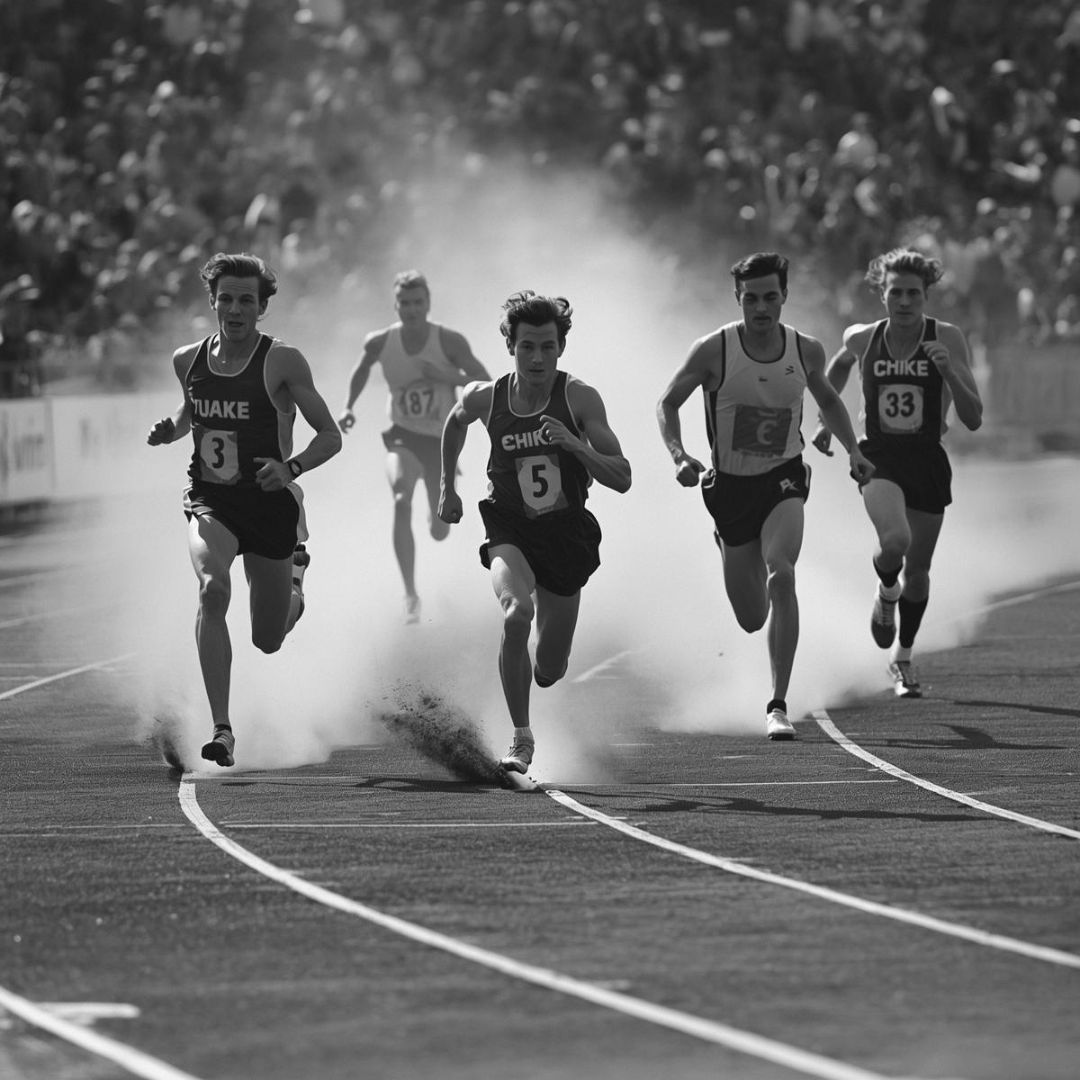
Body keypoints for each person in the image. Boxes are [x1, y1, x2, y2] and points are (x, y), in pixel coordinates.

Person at [657, 252, 874, 740]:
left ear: (784, 296)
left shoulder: (805, 349)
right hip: (730, 490)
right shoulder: (713, 350)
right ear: (738, 298)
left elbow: (828, 399)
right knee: (753, 618)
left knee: (783, 574)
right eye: (751, 298)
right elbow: (667, 402)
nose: (761, 308)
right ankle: (728, 542)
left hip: (783, 480)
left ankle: (778, 704)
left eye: (770, 297)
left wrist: (854, 450)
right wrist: (679, 455)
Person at [147, 252, 342, 767]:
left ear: (261, 308)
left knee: (268, 640)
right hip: (211, 500)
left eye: (246, 301)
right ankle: (222, 728)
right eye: (227, 299)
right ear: (212, 302)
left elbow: (330, 436)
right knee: (213, 590)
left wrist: (291, 468)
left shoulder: (282, 361)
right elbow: (191, 410)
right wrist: (171, 429)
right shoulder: (187, 359)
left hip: (269, 506)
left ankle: (296, 580)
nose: (235, 310)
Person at [438, 291, 631, 782]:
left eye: (547, 346)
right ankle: (521, 738)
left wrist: (574, 445)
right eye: (527, 346)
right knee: (516, 613)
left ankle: (540, 673)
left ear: (561, 348)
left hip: (566, 536)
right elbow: (455, 421)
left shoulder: (579, 398)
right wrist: (447, 487)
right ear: (511, 347)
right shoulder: (487, 397)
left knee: (550, 668)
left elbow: (623, 476)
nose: (538, 358)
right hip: (510, 527)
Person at [812, 248, 983, 698]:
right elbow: (839, 366)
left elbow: (973, 417)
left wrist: (948, 372)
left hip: (927, 458)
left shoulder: (947, 338)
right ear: (882, 294)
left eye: (913, 294)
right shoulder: (863, 337)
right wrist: (825, 422)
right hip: (879, 456)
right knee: (895, 543)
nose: (904, 302)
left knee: (919, 572)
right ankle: (886, 591)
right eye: (895, 293)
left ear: (926, 296)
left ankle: (902, 658)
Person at [338, 270, 489, 623]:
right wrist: (348, 407)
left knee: (440, 530)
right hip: (402, 435)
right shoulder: (379, 342)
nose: (412, 309)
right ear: (395, 306)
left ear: (428, 303)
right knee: (400, 499)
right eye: (404, 303)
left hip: (441, 440)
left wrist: (446, 377)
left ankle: (435, 513)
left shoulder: (449, 341)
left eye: (418, 302)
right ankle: (410, 594)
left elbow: (485, 382)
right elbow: (361, 369)